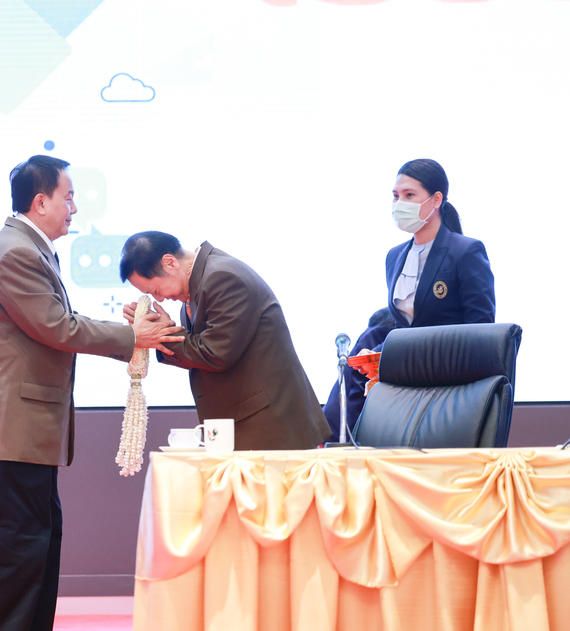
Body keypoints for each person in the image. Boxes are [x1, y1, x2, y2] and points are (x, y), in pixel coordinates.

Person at [0, 156, 183, 631]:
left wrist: (128, 333)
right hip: (14, 421)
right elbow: (56, 327)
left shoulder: (31, 248)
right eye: (69, 196)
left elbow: (57, 323)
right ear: (41, 202)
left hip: (27, 421)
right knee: (17, 536)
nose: (75, 208)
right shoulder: (16, 252)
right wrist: (131, 337)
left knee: (40, 532)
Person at [119, 231, 331, 451]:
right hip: (245, 425)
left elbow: (215, 353)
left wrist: (160, 334)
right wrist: (159, 331)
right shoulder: (198, 283)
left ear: (170, 262)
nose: (160, 299)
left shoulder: (222, 277)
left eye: (156, 290)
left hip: (269, 428)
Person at [355, 159, 496, 385]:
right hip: (408, 381)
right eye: (396, 196)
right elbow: (406, 328)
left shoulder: (466, 251)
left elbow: (480, 330)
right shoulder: (394, 256)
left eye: (409, 195)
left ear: (436, 199)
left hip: (453, 382)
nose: (399, 203)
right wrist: (377, 353)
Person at [322, 308, 394, 443]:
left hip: (333, 425)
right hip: (345, 429)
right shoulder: (379, 334)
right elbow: (361, 384)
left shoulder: (369, 334)